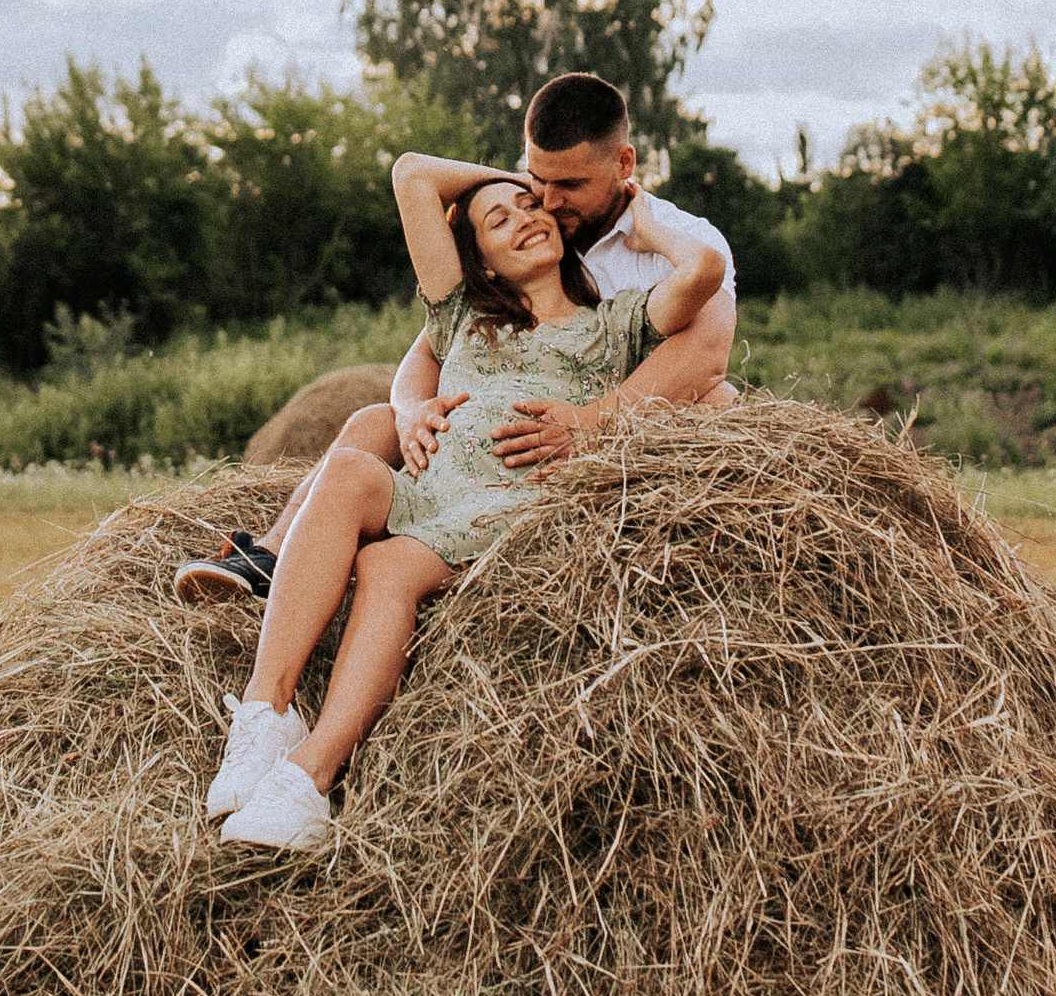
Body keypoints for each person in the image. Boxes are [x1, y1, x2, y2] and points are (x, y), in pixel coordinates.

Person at [204, 144, 727, 853]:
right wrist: (512, 178)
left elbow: (703, 270)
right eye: (498, 220)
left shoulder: (617, 323)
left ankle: (309, 780)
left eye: (534, 206)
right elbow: (411, 175)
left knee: (388, 568)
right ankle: (266, 713)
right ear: (477, 260)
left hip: (512, 505)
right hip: (433, 489)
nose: (523, 217)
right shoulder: (462, 319)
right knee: (349, 468)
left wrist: (642, 220)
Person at [172, 71, 736, 606]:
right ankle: (270, 556)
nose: (550, 202)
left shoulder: (682, 239)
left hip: (613, 432)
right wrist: (412, 409)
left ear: (624, 163)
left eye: (570, 185)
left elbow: (706, 356)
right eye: (537, 178)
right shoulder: (532, 223)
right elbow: (433, 346)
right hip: (508, 425)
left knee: (720, 405)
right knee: (374, 420)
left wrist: (591, 421)